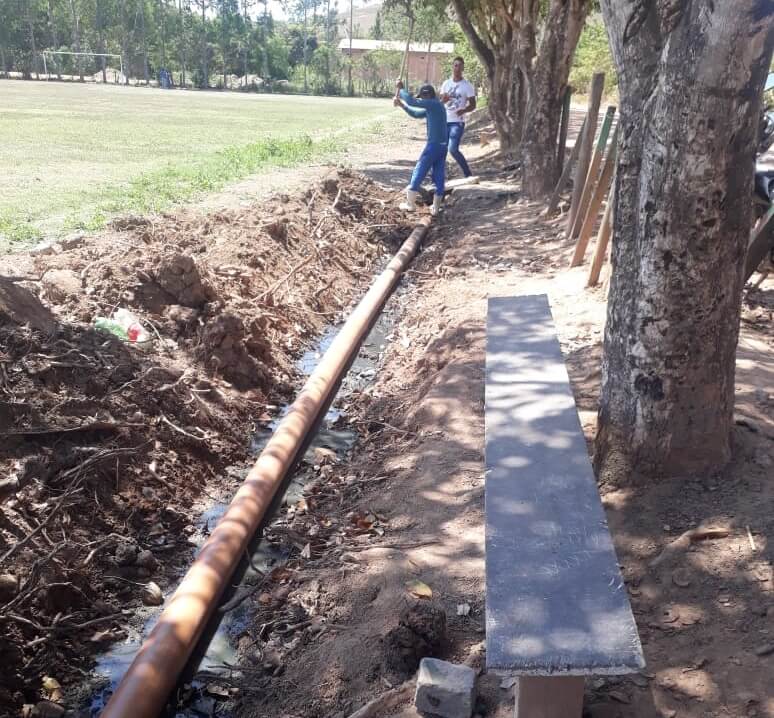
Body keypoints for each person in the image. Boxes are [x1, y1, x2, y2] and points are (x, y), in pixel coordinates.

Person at [393, 79, 448, 215]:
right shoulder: (436, 107)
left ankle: (410, 204)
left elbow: (413, 102)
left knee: (420, 169)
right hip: (442, 146)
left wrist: (401, 89)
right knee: (439, 174)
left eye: (422, 97)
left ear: (427, 96)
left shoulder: (434, 104)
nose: (422, 101)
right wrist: (401, 105)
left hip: (433, 146)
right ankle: (435, 208)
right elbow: (416, 113)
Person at [440, 57, 477, 178]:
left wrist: (464, 109)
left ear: (463, 68)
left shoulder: (467, 86)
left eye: (460, 66)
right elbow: (441, 101)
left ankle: (468, 174)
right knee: (441, 150)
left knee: (453, 149)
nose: (457, 68)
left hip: (457, 122)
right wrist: (443, 100)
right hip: (444, 121)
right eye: (455, 65)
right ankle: (439, 176)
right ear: (452, 67)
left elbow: (473, 105)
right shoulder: (446, 83)